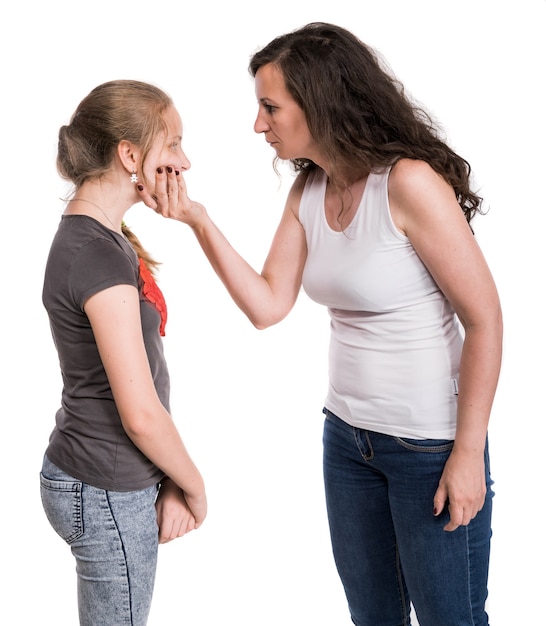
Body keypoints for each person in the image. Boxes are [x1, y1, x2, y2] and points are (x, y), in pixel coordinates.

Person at [142, 22, 503, 626]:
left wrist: (468, 453)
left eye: (270, 106)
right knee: (374, 619)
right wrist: (198, 221)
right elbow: (266, 305)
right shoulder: (309, 191)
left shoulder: (408, 183)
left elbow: (486, 319)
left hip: (430, 447)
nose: (259, 124)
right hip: (348, 443)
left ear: (320, 103)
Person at [40, 80, 207, 626]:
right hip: (106, 489)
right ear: (130, 155)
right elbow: (139, 414)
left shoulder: (100, 238)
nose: (184, 160)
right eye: (174, 144)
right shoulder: (96, 254)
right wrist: (193, 485)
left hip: (101, 480)